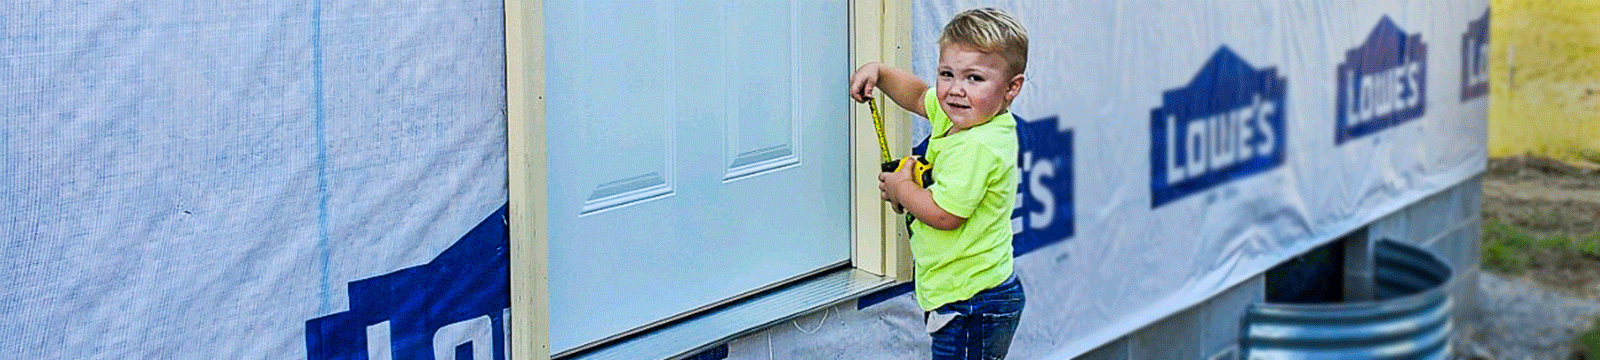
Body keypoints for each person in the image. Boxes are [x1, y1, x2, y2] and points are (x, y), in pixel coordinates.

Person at [849, 7, 1028, 360]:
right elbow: (918, 95)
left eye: (974, 78)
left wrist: (904, 189)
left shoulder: (978, 145)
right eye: (947, 73)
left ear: (1012, 88)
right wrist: (881, 73)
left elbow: (946, 215)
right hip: (964, 295)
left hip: (973, 303)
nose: (955, 90)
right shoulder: (960, 119)